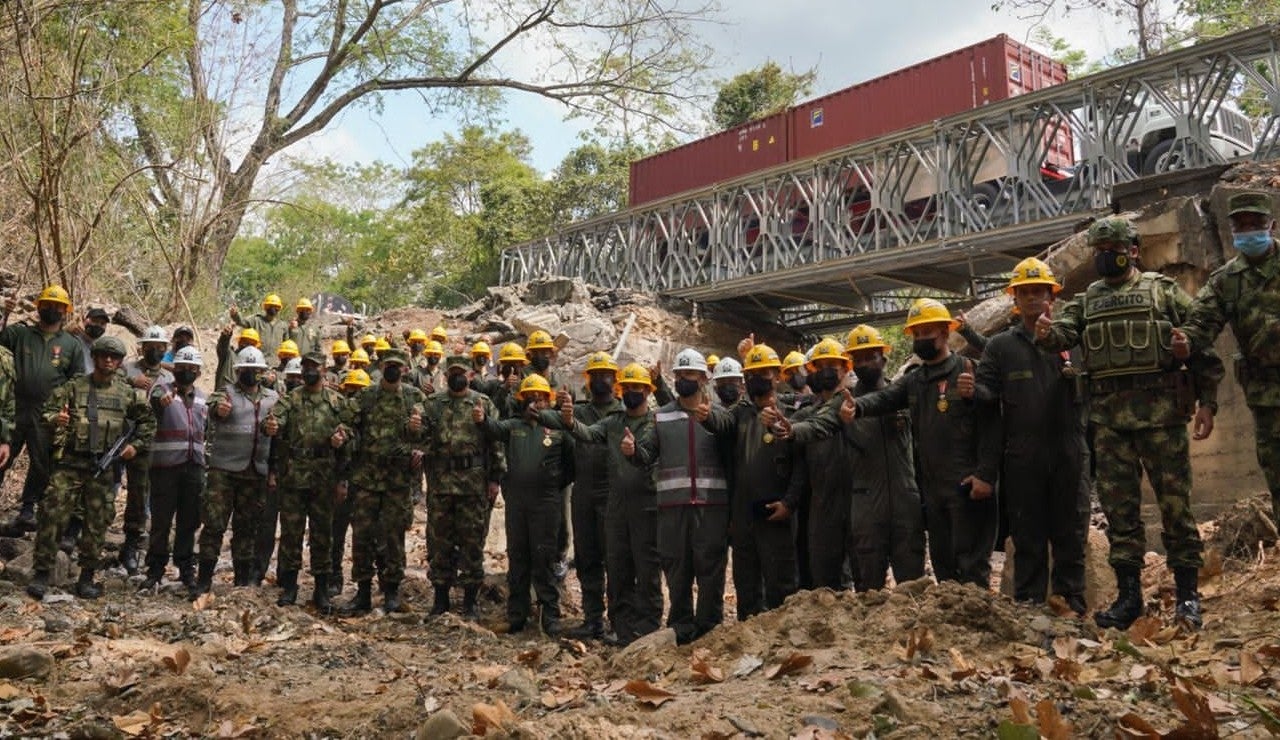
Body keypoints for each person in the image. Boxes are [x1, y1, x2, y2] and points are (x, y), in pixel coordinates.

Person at [1037, 216, 1223, 630]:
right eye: (1098, 252)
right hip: (1110, 424)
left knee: (1176, 510)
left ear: (1133, 250)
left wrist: (1207, 401)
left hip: (1162, 420)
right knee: (1122, 516)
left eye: (1112, 250)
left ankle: (1188, 596)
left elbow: (1200, 345)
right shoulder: (1087, 301)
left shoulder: (1162, 292)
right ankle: (1129, 598)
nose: (1105, 258)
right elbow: (1063, 335)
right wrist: (1047, 331)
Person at [790, 299, 1002, 589]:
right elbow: (879, 401)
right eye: (916, 334)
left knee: (972, 568)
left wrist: (986, 474)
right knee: (943, 569)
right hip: (929, 493)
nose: (922, 339)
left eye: (927, 331)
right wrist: (855, 409)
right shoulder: (913, 382)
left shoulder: (967, 369)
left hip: (963, 487)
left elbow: (994, 423)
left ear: (944, 331)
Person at [974, 258, 1088, 614]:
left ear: (1051, 296)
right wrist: (971, 391)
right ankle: (1028, 606)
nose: (1033, 298)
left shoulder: (1074, 340)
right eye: (1025, 292)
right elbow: (988, 397)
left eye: (1039, 291)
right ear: (1015, 299)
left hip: (1070, 450)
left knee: (1071, 533)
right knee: (1028, 536)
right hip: (1023, 455)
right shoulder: (1000, 347)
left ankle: (1072, 605)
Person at [1179, 192, 1280, 529]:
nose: (1249, 232)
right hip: (1267, 396)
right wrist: (1184, 341)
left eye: (1257, 224)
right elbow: (1200, 324)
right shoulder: (1226, 281)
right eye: (1242, 226)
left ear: (1272, 225)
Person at [26, 336, 155, 601]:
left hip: (102, 467)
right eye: (103, 355)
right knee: (51, 514)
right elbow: (45, 413)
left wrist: (135, 447)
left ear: (119, 362)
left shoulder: (127, 393)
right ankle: (41, 573)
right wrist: (56, 418)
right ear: (94, 358)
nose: (108, 360)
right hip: (71, 463)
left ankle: (87, 578)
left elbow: (148, 422)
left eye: (114, 357)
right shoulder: (74, 388)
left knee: (97, 523)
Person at [557, 363, 663, 646]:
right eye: (626, 388)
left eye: (636, 388)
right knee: (618, 567)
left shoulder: (655, 423)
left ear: (647, 391)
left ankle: (649, 627)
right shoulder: (614, 422)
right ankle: (621, 627)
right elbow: (588, 433)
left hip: (646, 504)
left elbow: (649, 453)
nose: (630, 393)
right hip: (616, 504)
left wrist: (634, 451)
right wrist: (569, 422)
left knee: (647, 566)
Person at [476, 374, 574, 636]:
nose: (536, 402)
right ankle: (517, 614)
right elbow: (493, 428)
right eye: (530, 397)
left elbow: (572, 465)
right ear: (522, 400)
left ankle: (549, 615)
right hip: (518, 503)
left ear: (547, 400)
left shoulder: (558, 429)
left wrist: (551, 483)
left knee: (545, 558)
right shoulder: (514, 426)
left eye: (540, 397)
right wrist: (482, 419)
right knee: (518, 558)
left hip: (546, 503)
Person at [263, 351, 357, 610]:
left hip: (324, 476)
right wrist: (271, 426)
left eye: (314, 367)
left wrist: (343, 437)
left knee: (322, 534)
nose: (309, 371)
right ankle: (290, 587)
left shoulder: (337, 402)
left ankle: (322, 589)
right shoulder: (291, 399)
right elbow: (273, 422)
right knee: (291, 533)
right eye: (305, 367)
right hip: (294, 476)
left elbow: (351, 427)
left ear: (324, 370)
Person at [650, 348, 732, 644]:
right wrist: (634, 452)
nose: (685, 379)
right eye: (681, 374)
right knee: (676, 567)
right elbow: (646, 453)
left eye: (691, 374)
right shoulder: (660, 417)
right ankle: (681, 627)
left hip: (711, 507)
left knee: (711, 567)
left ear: (703, 378)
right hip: (673, 509)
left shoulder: (720, 417)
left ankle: (710, 626)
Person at [341, 348, 426, 614]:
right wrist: (344, 436)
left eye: (398, 366)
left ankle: (391, 592)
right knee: (362, 536)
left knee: (393, 538)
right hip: (366, 479)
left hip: (397, 481)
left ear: (404, 369)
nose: (393, 369)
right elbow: (346, 422)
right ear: (381, 367)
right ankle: (363, 593)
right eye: (388, 364)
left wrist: (419, 445)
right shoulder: (367, 396)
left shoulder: (414, 398)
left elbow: (430, 432)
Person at [841, 325, 925, 590]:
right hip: (866, 506)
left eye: (871, 356)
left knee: (911, 585)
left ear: (884, 358)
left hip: (905, 502)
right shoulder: (843, 404)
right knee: (868, 589)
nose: (865, 363)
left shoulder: (905, 395)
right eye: (859, 358)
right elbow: (815, 427)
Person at [420, 355, 504, 619]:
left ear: (470, 375)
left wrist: (495, 479)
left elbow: (496, 441)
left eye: (462, 372)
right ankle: (440, 600)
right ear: (446, 375)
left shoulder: (483, 403)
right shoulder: (433, 404)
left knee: (472, 543)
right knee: (439, 542)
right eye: (452, 371)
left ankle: (470, 602)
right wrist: (413, 428)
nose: (457, 376)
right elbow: (418, 436)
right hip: (441, 483)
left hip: (473, 483)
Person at [0, 285, 87, 532]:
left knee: (41, 462)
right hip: (13, 408)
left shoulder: (71, 344)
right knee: (2, 455)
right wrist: (4, 313)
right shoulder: (19, 334)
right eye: (48, 304)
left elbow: (77, 378)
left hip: (47, 413)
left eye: (58, 306)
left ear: (65, 311)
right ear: (39, 306)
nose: (53, 309)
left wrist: (64, 405)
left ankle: (28, 510)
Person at [199, 346, 279, 593]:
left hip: (255, 473)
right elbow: (212, 406)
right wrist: (219, 410)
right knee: (214, 525)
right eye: (247, 370)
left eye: (256, 371)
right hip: (223, 471)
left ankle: (241, 581)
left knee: (247, 528)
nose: (251, 374)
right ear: (238, 371)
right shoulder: (226, 393)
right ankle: (203, 581)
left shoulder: (273, 399)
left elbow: (280, 434)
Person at [785, 339, 856, 590]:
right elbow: (800, 468)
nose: (826, 371)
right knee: (823, 577)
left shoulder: (860, 404)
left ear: (845, 368)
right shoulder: (806, 414)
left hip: (858, 499)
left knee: (860, 577)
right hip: (821, 502)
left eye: (832, 365)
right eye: (821, 366)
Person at [560, 351, 622, 639]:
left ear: (614, 379)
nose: (600, 380)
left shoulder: (623, 412)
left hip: (613, 493)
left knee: (616, 559)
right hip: (583, 491)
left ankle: (619, 621)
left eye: (605, 375)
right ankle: (592, 619)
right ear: (588, 380)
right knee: (587, 558)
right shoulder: (579, 412)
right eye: (595, 375)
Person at [141, 346, 207, 596]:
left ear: (198, 372)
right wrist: (161, 400)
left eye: (192, 369)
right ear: (174, 369)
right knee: (161, 521)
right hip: (165, 468)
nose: (187, 372)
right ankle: (155, 570)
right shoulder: (162, 389)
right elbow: (155, 399)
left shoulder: (202, 398)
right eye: (182, 368)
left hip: (194, 468)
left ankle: (186, 569)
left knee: (189, 521)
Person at [119, 325, 175, 574]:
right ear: (142, 347)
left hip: (155, 441)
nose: (155, 350)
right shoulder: (127, 368)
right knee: (126, 491)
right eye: (151, 346)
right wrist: (131, 381)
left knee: (148, 493)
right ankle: (126, 543)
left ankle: (144, 544)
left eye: (161, 347)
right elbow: (107, 382)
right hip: (122, 435)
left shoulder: (169, 378)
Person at [328, 367, 372, 596]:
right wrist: (341, 481)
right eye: (351, 391)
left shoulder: (373, 420)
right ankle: (334, 576)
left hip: (367, 486)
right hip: (341, 484)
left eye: (360, 392)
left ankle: (364, 582)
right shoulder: (339, 417)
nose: (355, 397)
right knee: (336, 534)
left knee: (364, 536)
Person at [231, 293, 289, 360]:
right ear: (266, 307)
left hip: (276, 363)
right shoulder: (256, 320)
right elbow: (242, 322)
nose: (273, 309)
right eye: (270, 306)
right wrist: (235, 315)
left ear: (279, 309)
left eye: (276, 307)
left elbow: (286, 346)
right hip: (258, 361)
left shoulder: (283, 325)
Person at [215, 326, 261, 392]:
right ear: (239, 342)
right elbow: (222, 346)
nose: (247, 346)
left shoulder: (256, 366)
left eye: (251, 344)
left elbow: (259, 381)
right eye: (245, 342)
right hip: (223, 400)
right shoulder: (229, 355)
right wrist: (225, 337)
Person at [72, 308, 111, 373]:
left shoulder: (103, 347)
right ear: (86, 321)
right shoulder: (74, 341)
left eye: (102, 323)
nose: (98, 325)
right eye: (95, 321)